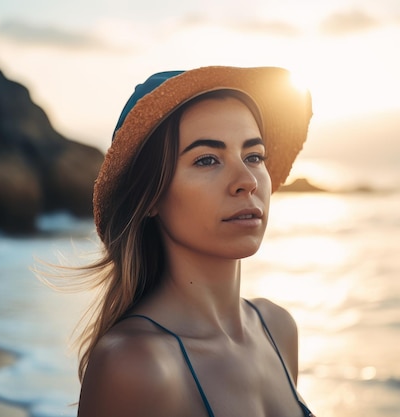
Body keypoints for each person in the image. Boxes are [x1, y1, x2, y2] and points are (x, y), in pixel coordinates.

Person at [73, 66, 314, 416]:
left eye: (254, 156)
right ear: (151, 196)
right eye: (207, 160)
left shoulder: (277, 328)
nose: (246, 180)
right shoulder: (133, 365)